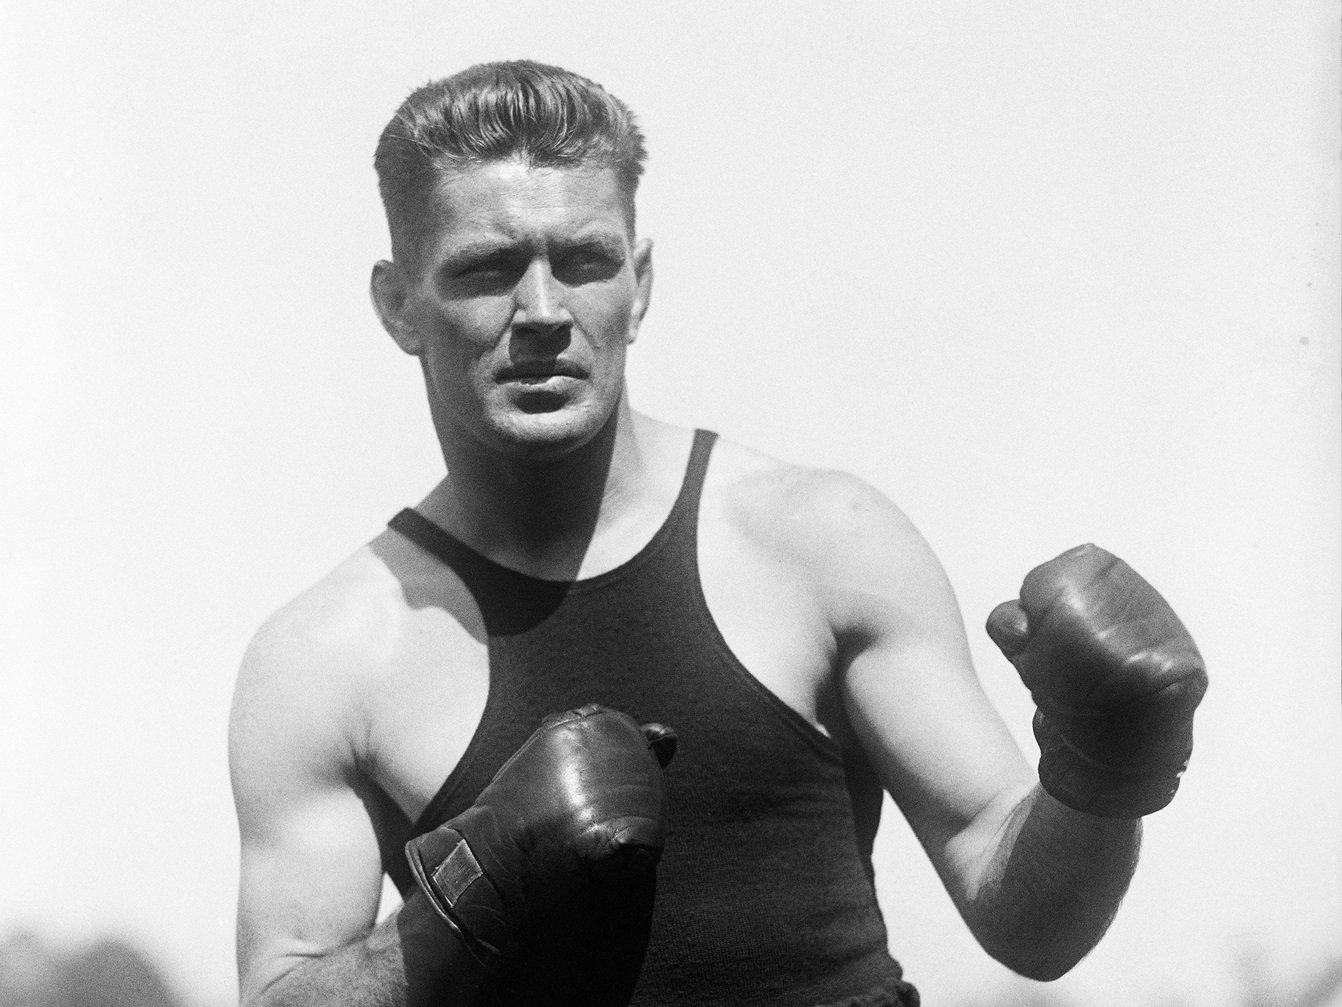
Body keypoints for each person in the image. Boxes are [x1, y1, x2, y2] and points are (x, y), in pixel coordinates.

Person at [228, 60, 1207, 1007]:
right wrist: (463, 897)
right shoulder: (328, 658)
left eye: (584, 260)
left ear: (640, 283)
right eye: (487, 269)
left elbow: (1029, 921)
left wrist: (1103, 774)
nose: (543, 311)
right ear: (399, 305)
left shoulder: (822, 543)